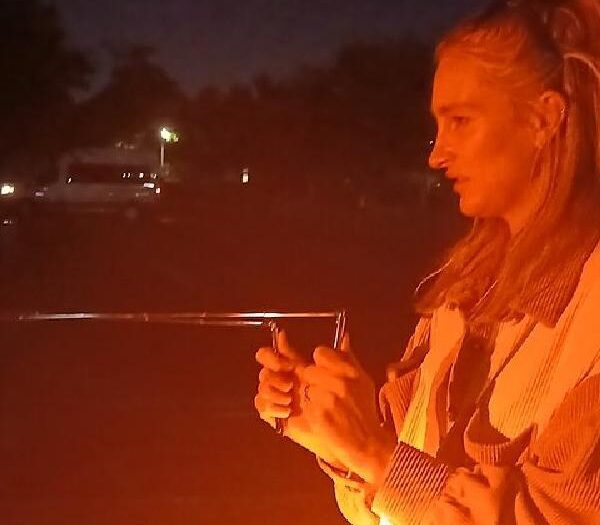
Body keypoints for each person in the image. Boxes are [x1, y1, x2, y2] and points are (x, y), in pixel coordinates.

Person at [255, 0, 600, 523]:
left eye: (460, 121)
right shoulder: (463, 291)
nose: (436, 155)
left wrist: (376, 455)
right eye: (439, 126)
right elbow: (390, 503)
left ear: (543, 118)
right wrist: (335, 433)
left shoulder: (588, 314)